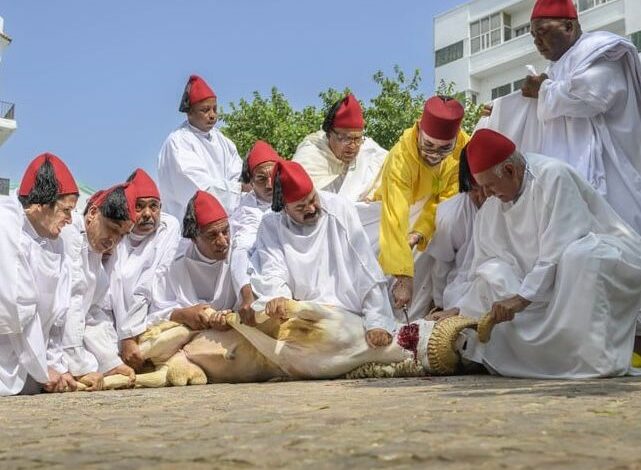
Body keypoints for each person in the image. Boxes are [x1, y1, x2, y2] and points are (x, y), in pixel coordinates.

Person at [442, 129, 641, 379]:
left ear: (511, 171)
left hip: (599, 258)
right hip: (537, 281)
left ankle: (594, 360)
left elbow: (561, 245)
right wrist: (461, 309)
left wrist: (522, 298)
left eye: (490, 186)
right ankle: (531, 359)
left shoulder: (553, 176)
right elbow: (484, 261)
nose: (487, 195)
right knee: (494, 273)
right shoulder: (493, 205)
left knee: (581, 257)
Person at [485, 0, 641, 234]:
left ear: (568, 26)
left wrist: (543, 89)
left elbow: (591, 97)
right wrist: (498, 110)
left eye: (543, 32)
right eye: (533, 35)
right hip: (568, 181)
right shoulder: (557, 68)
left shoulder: (602, 50)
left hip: (613, 172)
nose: (537, 41)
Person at [250, 160, 396, 347]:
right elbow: (272, 267)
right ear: (284, 208)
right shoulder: (271, 224)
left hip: (347, 313)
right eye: (300, 208)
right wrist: (278, 297)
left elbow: (365, 268)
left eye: (313, 199)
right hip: (301, 312)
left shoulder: (339, 208)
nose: (311, 209)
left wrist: (377, 322)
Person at [372, 96, 469, 313]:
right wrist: (404, 276)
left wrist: (418, 234)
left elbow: (447, 201)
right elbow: (394, 216)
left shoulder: (464, 150)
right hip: (393, 215)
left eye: (444, 149)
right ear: (419, 131)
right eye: (428, 145)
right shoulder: (400, 157)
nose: (435, 155)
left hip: (430, 222)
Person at [0, 153, 81, 395]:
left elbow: (57, 316)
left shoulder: (56, 242)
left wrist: (57, 366)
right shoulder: (6, 227)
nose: (70, 219)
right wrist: (43, 370)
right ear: (42, 204)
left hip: (29, 366)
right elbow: (17, 310)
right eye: (66, 210)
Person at [60, 183, 137, 386]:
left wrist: (110, 361)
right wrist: (79, 367)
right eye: (112, 229)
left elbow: (92, 314)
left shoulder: (95, 255)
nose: (114, 240)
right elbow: (71, 304)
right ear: (93, 212)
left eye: (122, 235)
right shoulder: (70, 234)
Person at [107, 169, 181, 371]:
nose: (148, 214)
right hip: (117, 333)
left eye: (153, 206)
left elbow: (149, 284)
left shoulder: (168, 227)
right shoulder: (116, 235)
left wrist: (129, 336)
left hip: (154, 321)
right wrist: (124, 338)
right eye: (139, 207)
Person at [148, 190, 237, 332]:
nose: (222, 242)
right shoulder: (172, 264)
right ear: (194, 238)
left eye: (225, 231)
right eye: (212, 235)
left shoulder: (238, 254)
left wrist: (230, 317)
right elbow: (154, 314)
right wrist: (183, 315)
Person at [157, 74, 243, 220]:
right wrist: (237, 191)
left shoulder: (222, 140)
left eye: (215, 109)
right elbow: (197, 188)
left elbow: (238, 174)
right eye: (205, 110)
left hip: (225, 222)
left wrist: (238, 189)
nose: (212, 115)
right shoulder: (178, 142)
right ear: (189, 112)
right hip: (188, 225)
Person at [424, 147, 485, 314]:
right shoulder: (451, 214)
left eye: (485, 187)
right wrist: (439, 304)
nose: (482, 196)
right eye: (474, 189)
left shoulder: (504, 201)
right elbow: (442, 264)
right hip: (462, 290)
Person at [292, 93, 386, 201]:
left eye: (357, 139)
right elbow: (300, 196)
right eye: (345, 138)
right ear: (329, 134)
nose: (353, 146)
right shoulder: (310, 154)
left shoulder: (370, 152)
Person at [230, 140, 282, 325]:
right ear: (250, 181)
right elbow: (241, 251)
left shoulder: (298, 198)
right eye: (261, 179)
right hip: (268, 285)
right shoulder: (247, 210)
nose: (269, 185)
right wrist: (247, 296)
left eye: (273, 176)